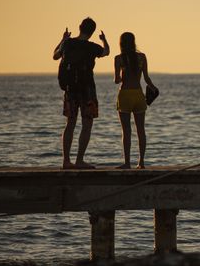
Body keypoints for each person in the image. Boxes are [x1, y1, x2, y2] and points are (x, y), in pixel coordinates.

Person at [53, 17, 110, 169]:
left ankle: (66, 161)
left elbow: (55, 56)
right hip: (87, 90)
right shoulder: (93, 47)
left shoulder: (68, 43)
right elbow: (106, 52)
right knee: (87, 124)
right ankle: (79, 160)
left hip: (70, 89)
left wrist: (63, 39)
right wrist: (104, 40)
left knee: (70, 124)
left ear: (79, 27)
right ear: (92, 32)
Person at [114, 32, 157, 169]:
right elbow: (146, 79)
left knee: (126, 131)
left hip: (125, 95)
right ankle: (141, 162)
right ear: (133, 42)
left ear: (121, 43)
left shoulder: (119, 59)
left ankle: (127, 163)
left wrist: (121, 76)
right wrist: (154, 89)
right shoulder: (142, 57)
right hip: (138, 95)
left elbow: (116, 80)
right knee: (141, 130)